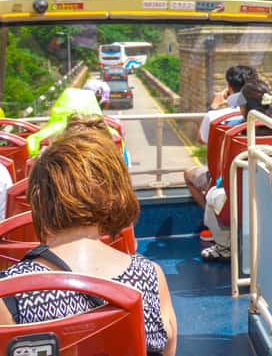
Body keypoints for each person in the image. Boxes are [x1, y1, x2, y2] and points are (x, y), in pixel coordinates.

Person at [0, 117, 177, 356]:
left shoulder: (10, 292)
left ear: (38, 200)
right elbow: (168, 348)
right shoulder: (150, 277)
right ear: (114, 195)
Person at [200, 78, 272, 261]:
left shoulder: (236, 136)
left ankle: (224, 246)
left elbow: (225, 175)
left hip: (240, 198)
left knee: (212, 194)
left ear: (244, 106)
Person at [184, 65, 256, 212]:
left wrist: (213, 106)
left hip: (221, 178)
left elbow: (201, 139)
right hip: (252, 174)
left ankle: (210, 214)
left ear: (228, 87)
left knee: (188, 173)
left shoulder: (214, 116)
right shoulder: (261, 115)